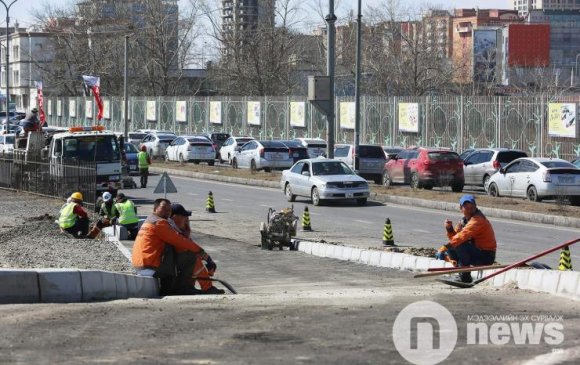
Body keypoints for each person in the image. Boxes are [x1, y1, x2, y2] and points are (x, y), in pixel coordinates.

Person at [132, 198, 224, 295]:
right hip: (149, 266)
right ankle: (185, 288)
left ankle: (179, 288)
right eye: (164, 208)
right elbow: (182, 242)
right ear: (155, 208)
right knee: (190, 256)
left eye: (169, 209)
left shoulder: (151, 221)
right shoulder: (160, 223)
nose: (167, 211)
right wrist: (206, 257)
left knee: (182, 254)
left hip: (143, 264)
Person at [169, 203, 222, 294]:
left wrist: (208, 260)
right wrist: (208, 260)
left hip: (176, 258)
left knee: (194, 256)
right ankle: (207, 287)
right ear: (175, 218)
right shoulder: (172, 230)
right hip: (171, 260)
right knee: (194, 258)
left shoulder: (178, 229)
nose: (187, 220)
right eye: (184, 217)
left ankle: (192, 285)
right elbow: (190, 247)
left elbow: (192, 246)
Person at [443, 194, 497, 283]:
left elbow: (463, 236)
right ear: (461, 208)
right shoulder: (464, 221)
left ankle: (465, 277)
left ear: (475, 207)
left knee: (457, 244)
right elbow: (454, 238)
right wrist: (449, 229)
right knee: (451, 249)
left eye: (472, 207)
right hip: (477, 252)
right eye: (466, 207)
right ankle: (462, 274)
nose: (469, 209)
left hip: (486, 256)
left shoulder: (478, 219)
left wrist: (445, 247)